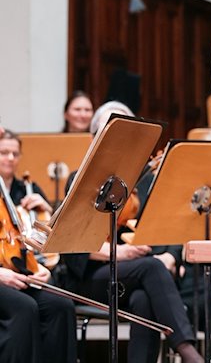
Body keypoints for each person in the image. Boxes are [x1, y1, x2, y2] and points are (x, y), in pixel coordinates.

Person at [62, 102, 203, 363]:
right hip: (92, 277)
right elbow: (73, 246)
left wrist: (171, 257)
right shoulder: (78, 179)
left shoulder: (146, 182)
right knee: (150, 269)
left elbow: (167, 227)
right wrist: (123, 253)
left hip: (134, 278)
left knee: (143, 299)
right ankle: (190, 354)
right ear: (96, 139)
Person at [0, 129, 76, 363]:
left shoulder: (25, 188)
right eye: (3, 152)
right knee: (25, 307)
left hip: (18, 272)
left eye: (15, 153)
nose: (10, 158)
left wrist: (38, 269)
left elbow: (39, 243)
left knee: (60, 305)